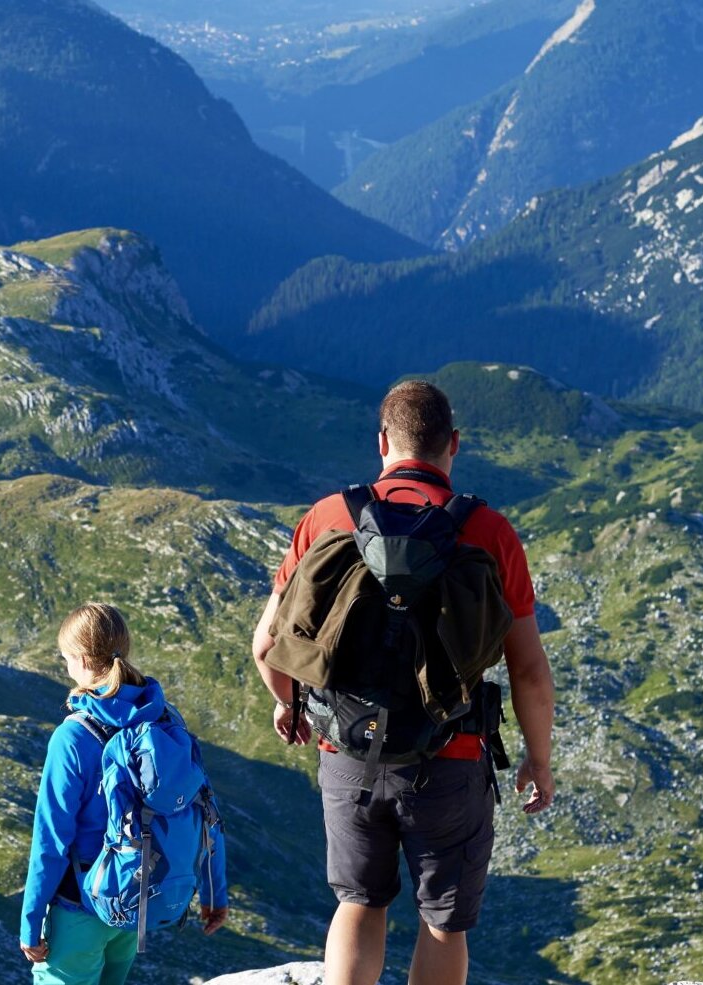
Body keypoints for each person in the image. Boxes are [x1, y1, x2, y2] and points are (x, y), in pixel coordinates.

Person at [248, 380, 556, 985]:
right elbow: (528, 670)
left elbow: (267, 646)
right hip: (452, 756)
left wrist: (290, 706)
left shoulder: (329, 517)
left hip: (347, 750)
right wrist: (537, 761)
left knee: (359, 902)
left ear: (383, 442)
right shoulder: (490, 532)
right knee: (443, 920)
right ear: (454, 445)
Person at [19, 603, 230, 985]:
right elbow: (205, 811)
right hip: (136, 907)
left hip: (80, 906)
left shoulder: (73, 737)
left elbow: (50, 840)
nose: (66, 665)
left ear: (82, 660)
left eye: (66, 658)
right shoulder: (167, 720)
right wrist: (215, 892)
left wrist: (31, 922)